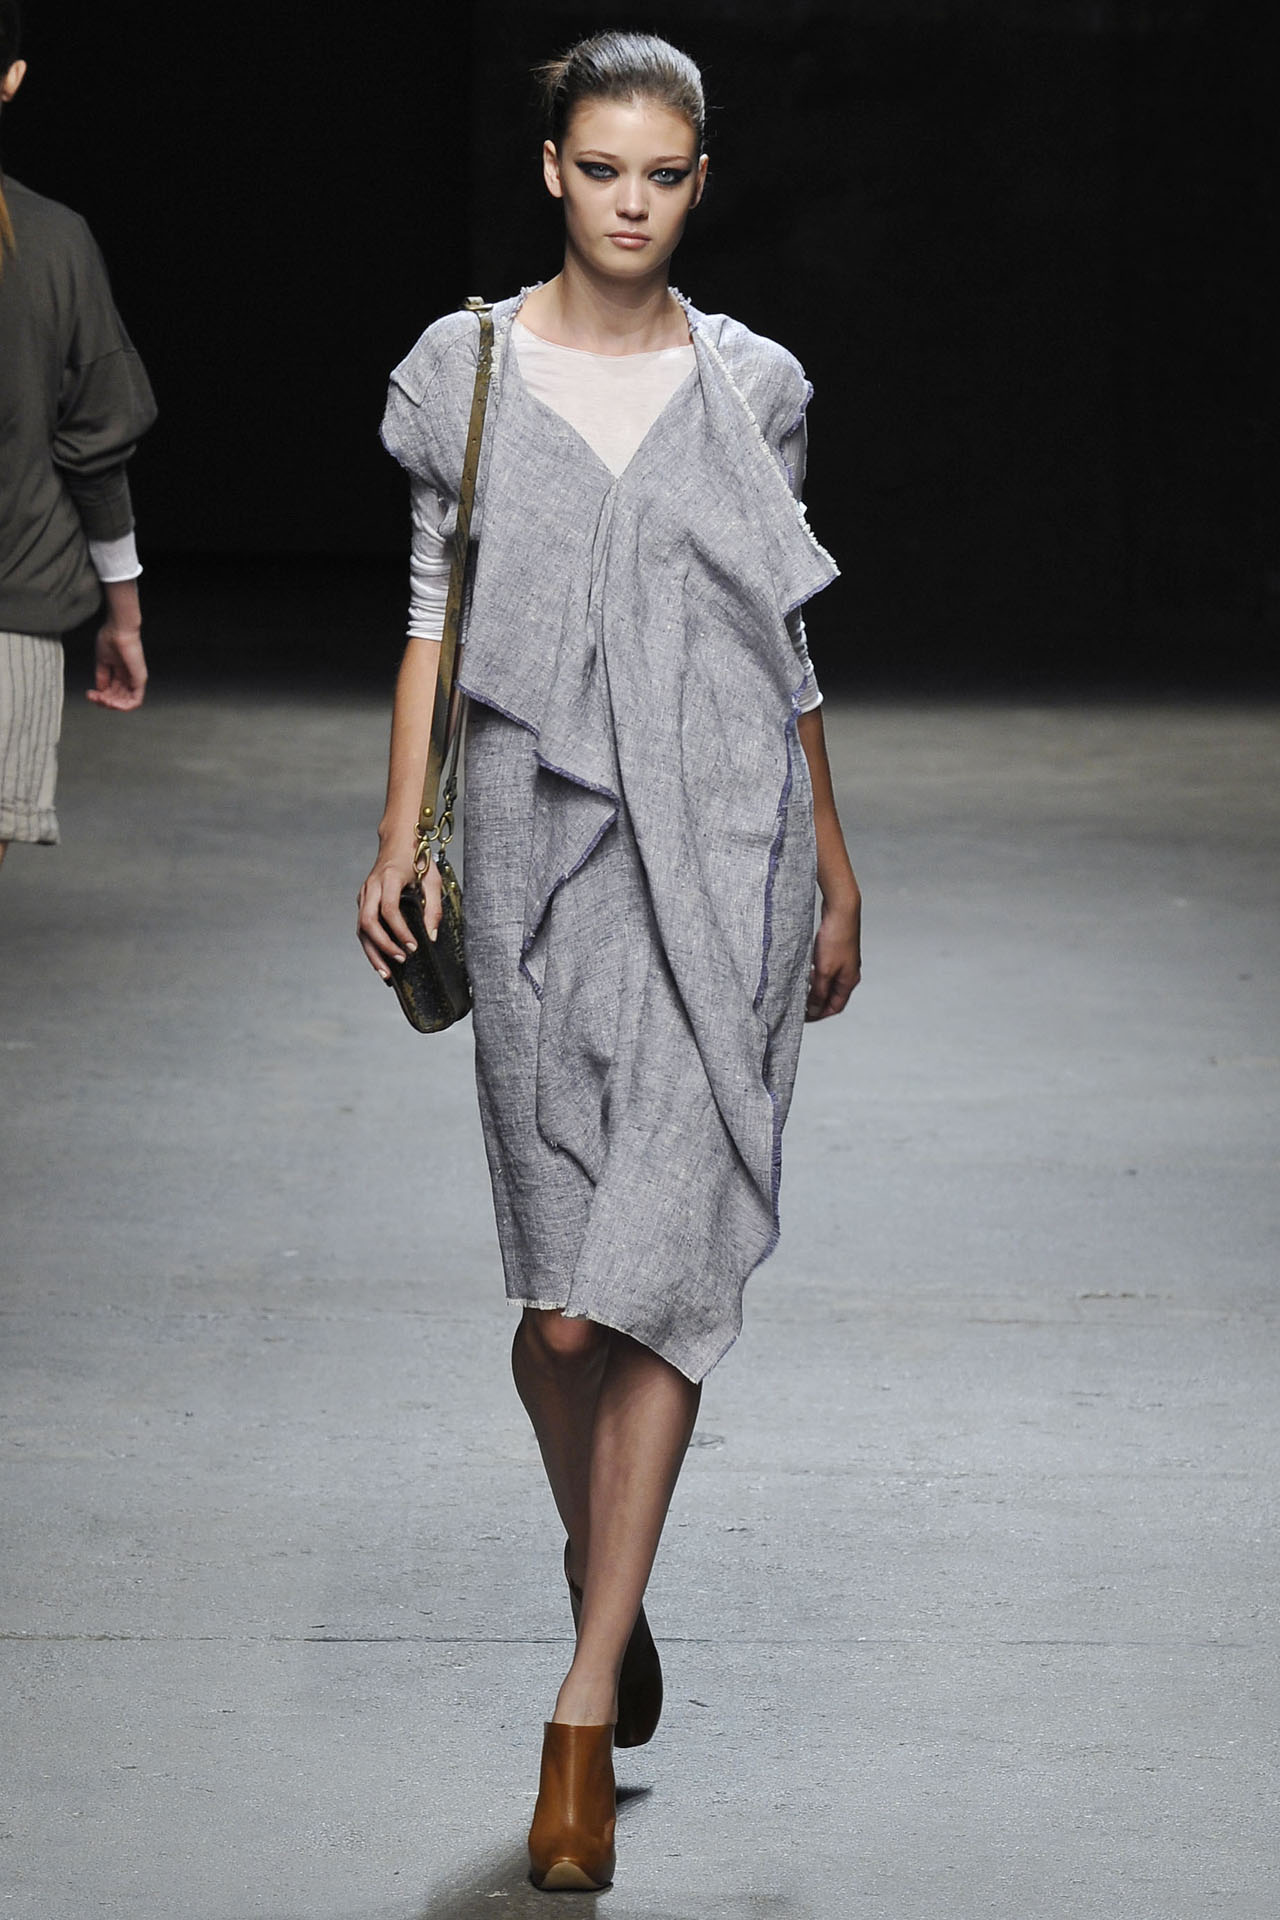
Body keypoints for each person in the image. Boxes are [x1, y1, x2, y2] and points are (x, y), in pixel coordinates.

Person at [357, 30, 861, 1892]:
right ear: (552, 172)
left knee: (656, 1282)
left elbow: (780, 633)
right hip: (534, 851)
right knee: (562, 1315)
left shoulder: (754, 387)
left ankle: (580, 1711)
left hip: (720, 851)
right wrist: (397, 830)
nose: (630, 202)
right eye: (600, 169)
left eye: (662, 174)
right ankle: (612, 1577)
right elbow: (434, 615)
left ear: (698, 180)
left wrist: (831, 857)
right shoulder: (468, 371)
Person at [0, 1, 155, 872]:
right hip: (8, 623)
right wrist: (122, 618)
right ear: (13, 78)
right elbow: (96, 445)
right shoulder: (53, 244)